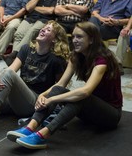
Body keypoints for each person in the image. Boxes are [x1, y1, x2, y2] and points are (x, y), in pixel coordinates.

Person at [6, 21, 122, 149]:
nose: (75, 41)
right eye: (73, 37)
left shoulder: (102, 60)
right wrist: (43, 95)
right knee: (59, 89)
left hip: (110, 115)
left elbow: (86, 91)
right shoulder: (76, 56)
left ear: (91, 40)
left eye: (79, 37)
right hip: (89, 113)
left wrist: (51, 99)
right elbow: (61, 84)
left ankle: (42, 136)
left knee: (81, 96)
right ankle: (30, 127)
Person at [0, 21, 70, 139]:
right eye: (43, 28)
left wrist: (45, 98)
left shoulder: (56, 59)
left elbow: (59, 86)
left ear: (54, 39)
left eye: (48, 30)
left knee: (9, 74)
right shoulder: (26, 49)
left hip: (32, 103)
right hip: (12, 101)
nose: (43, 30)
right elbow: (11, 69)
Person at [3, 0, 59, 66]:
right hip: (31, 18)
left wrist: (35, 7)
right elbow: (28, 8)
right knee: (19, 33)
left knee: (32, 31)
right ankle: (15, 58)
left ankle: (15, 55)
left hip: (44, 20)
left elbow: (50, 11)